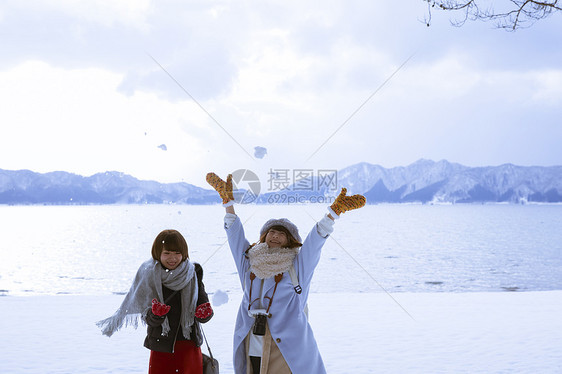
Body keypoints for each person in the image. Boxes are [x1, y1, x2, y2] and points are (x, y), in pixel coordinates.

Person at [206, 172, 366, 374]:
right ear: (264, 236)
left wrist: (333, 214)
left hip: (285, 346)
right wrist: (228, 203)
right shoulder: (250, 260)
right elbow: (234, 238)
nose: (275, 235)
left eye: (282, 233)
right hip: (251, 341)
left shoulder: (297, 266)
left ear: (290, 241)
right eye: (272, 231)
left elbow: (314, 244)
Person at [97, 229, 214, 374]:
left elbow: (202, 305)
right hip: (161, 347)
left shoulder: (193, 273)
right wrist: (156, 315)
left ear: (184, 253)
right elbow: (149, 318)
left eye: (177, 253)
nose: (173, 258)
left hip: (189, 345)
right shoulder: (149, 274)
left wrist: (205, 314)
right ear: (157, 253)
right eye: (167, 253)